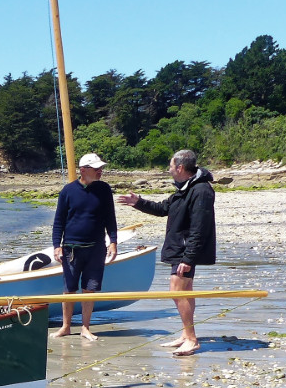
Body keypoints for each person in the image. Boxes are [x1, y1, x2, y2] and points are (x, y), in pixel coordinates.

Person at [117, 149, 215, 357]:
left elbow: (200, 228)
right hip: (181, 248)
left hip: (185, 250)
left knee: (177, 290)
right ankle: (185, 334)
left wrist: (189, 258)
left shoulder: (201, 190)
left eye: (170, 166)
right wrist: (139, 203)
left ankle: (191, 339)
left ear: (180, 167)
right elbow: (163, 208)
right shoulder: (185, 189)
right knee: (184, 291)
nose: (169, 169)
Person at [51, 153, 118, 341]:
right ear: (83, 170)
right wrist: (57, 245)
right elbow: (59, 222)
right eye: (96, 168)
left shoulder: (104, 189)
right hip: (71, 247)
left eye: (100, 168)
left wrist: (113, 241)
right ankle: (65, 327)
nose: (100, 171)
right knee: (69, 288)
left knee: (90, 288)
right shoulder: (68, 191)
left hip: (96, 247)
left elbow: (110, 218)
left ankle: (85, 328)